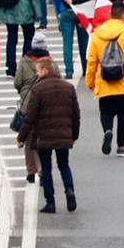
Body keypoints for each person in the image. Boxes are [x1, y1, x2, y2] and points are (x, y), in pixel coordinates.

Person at [18, 57, 81, 214]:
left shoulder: (38, 90)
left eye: (39, 70)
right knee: (64, 164)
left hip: (43, 136)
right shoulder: (68, 88)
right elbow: (76, 114)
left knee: (46, 168)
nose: (37, 74)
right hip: (63, 134)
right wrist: (74, 134)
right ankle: (69, 190)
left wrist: (22, 137)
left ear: (46, 70)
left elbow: (30, 116)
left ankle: (50, 202)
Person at [85, 0, 124, 157]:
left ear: (110, 14)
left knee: (106, 112)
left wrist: (90, 81)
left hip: (105, 82)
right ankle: (121, 146)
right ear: (123, 15)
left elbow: (92, 60)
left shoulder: (98, 34)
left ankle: (107, 130)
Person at [14, 33, 52, 183]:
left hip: (27, 104)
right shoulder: (49, 63)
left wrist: (23, 91)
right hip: (44, 105)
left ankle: (31, 170)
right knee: (42, 139)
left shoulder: (24, 61)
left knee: (29, 139)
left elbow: (17, 82)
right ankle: (43, 170)